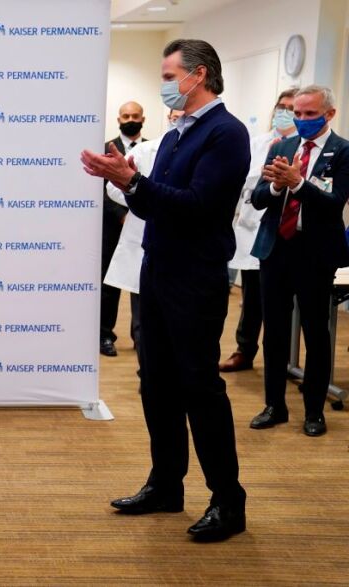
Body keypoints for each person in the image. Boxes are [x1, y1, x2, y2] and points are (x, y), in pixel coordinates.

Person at [81, 39, 249, 542]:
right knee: (156, 384)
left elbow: (197, 205)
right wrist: (127, 182)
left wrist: (133, 182)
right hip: (156, 273)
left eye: (169, 75)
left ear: (199, 75)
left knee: (199, 387)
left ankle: (228, 501)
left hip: (194, 279)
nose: (165, 86)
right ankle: (166, 484)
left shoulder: (226, 133)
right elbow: (153, 206)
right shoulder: (178, 134)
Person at [249, 85, 349, 436]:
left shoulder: (343, 152)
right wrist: (277, 187)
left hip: (315, 253)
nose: (302, 119)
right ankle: (274, 406)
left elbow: (334, 203)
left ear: (329, 114)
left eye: (310, 114)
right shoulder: (282, 147)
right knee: (274, 332)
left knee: (315, 333)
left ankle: (314, 412)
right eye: (298, 113)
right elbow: (258, 198)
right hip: (276, 249)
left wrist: (298, 183)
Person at [221, 89, 298, 372]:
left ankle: (283, 359)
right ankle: (244, 350)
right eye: (281, 106)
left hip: (287, 231)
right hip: (253, 228)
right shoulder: (258, 143)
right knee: (252, 297)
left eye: (291, 108)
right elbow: (241, 181)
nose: (284, 112)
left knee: (283, 302)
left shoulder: (302, 147)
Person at [104, 109, 183, 373]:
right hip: (142, 239)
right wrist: (140, 199)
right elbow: (113, 187)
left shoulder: (204, 149)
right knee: (144, 315)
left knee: (176, 320)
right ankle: (146, 372)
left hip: (184, 248)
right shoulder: (146, 150)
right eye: (176, 115)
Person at [101, 101, 147, 357]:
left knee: (141, 285)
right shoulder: (106, 149)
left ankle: (140, 338)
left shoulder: (154, 148)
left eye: (135, 116)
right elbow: (100, 189)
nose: (130, 120)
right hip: (112, 228)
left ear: (143, 119)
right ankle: (105, 335)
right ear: (118, 119)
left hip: (143, 228)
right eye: (126, 116)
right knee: (109, 285)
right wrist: (122, 215)